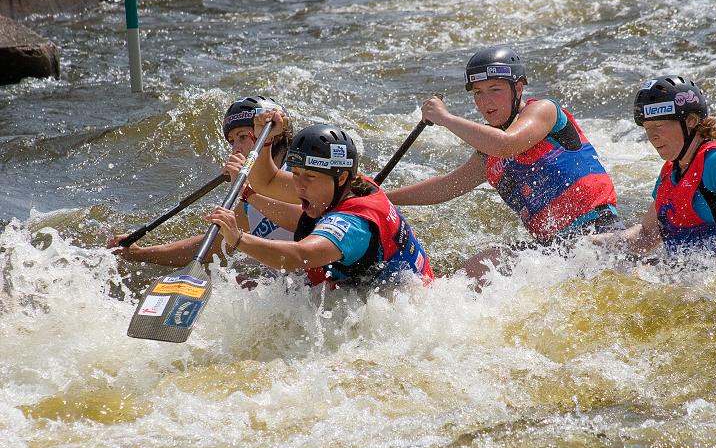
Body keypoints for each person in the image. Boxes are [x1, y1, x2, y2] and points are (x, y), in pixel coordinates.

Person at [385, 45, 621, 281]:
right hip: (553, 251)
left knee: (484, 264)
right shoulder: (489, 154)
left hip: (598, 233)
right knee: (475, 269)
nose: (486, 101)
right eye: (478, 92)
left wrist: (445, 118)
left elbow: (506, 144)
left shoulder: (544, 111)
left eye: (495, 89)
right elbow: (447, 186)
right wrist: (382, 197)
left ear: (517, 88)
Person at [207, 116, 435, 288]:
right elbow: (268, 181)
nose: (299, 185)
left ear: (341, 178)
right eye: (296, 173)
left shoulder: (352, 225)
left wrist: (238, 238)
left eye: (309, 176)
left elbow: (298, 256)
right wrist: (265, 141)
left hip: (400, 310)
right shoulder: (345, 184)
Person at [593, 75, 716, 270]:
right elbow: (647, 236)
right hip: (694, 278)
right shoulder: (670, 172)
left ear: (690, 120)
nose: (652, 136)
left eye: (658, 125)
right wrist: (589, 244)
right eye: (647, 128)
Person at [106, 95, 295, 266]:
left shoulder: (301, 174)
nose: (235, 149)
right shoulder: (249, 203)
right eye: (232, 141)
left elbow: (300, 220)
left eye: (243, 137)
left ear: (274, 135)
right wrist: (140, 254)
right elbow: (213, 245)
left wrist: (246, 191)